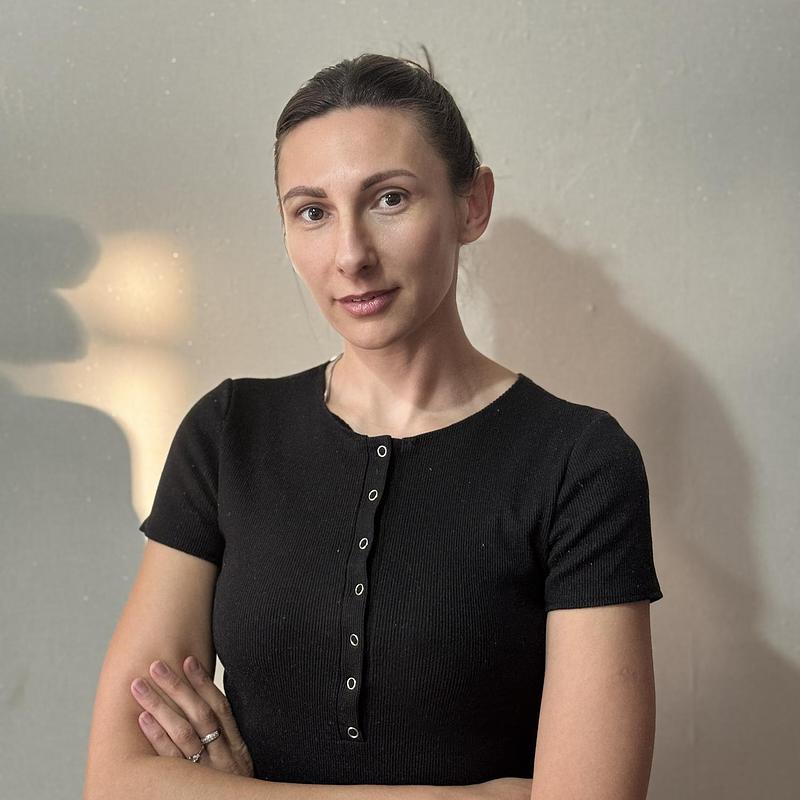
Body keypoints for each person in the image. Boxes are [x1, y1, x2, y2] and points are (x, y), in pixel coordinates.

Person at [83, 51, 663, 800]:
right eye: (312, 212)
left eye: (389, 199)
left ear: (472, 205)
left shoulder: (578, 462)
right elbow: (116, 781)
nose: (350, 255)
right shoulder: (227, 435)